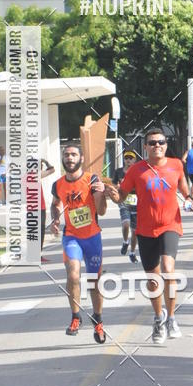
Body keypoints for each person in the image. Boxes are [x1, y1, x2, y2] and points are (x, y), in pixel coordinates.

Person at [107, 128, 192, 345]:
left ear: (165, 144)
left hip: (170, 225)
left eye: (161, 142)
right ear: (145, 147)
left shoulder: (176, 165)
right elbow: (121, 196)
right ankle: (158, 318)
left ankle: (172, 318)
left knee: (168, 270)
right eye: (152, 143)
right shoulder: (136, 170)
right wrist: (112, 192)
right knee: (154, 280)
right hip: (144, 230)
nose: (157, 146)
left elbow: (183, 186)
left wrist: (188, 197)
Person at [50, 143, 108, 343]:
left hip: (92, 238)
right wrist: (55, 218)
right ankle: (75, 317)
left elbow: (101, 212)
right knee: (73, 275)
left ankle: (98, 320)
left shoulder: (91, 180)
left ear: (81, 158)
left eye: (74, 154)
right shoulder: (57, 184)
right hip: (72, 237)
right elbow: (55, 203)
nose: (70, 158)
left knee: (94, 282)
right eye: (66, 155)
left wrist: (101, 193)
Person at [112, 150, 139, 263]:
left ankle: (132, 252)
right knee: (126, 224)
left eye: (131, 158)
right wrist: (116, 187)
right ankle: (125, 241)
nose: (128, 160)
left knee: (135, 231)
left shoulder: (138, 171)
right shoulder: (119, 171)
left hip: (137, 203)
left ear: (134, 160)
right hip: (124, 201)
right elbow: (113, 184)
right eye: (126, 158)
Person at [40, 158, 55, 263]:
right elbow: (52, 169)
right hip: (37, 208)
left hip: (39, 207)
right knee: (39, 232)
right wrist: (45, 161)